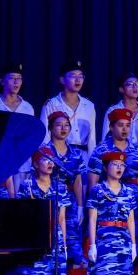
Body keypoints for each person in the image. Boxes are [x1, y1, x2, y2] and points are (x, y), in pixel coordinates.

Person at [16, 147, 70, 275]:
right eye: (45, 160)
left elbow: (62, 218)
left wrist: (64, 244)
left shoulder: (60, 187)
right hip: (34, 238)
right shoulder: (27, 186)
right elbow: (21, 214)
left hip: (53, 238)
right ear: (36, 164)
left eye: (51, 160)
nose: (49, 163)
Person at [85, 151, 138, 275]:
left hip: (123, 240)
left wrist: (134, 245)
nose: (119, 168)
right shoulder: (98, 190)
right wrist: (92, 244)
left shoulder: (129, 191)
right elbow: (92, 219)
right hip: (104, 240)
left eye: (122, 165)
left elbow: (131, 219)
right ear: (106, 167)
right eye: (115, 164)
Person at [43, 111, 87, 266]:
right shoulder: (44, 151)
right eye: (59, 125)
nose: (63, 128)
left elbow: (78, 181)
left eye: (67, 125)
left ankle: (74, 270)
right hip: (50, 199)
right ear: (50, 128)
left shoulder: (76, 153)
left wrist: (80, 206)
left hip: (70, 199)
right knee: (52, 236)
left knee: (72, 237)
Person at [0, 61, 35, 192]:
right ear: (2, 81)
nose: (16, 82)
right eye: (12, 78)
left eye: (19, 78)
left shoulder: (27, 107)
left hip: (23, 164)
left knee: (21, 199)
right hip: (0, 163)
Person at [39, 59, 97, 159]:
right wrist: (48, 158)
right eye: (73, 76)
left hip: (83, 157)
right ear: (62, 80)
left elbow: (92, 138)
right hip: (58, 155)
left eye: (81, 76)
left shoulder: (89, 105)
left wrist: (92, 162)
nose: (78, 80)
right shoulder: (51, 105)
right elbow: (45, 137)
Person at [89, 108, 138, 190]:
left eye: (128, 125)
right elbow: (93, 182)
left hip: (133, 196)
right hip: (108, 195)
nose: (124, 129)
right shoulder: (101, 150)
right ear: (111, 127)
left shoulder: (137, 151)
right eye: (120, 125)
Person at [100, 72, 138, 153]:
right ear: (121, 89)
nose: (135, 86)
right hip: (117, 154)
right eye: (130, 84)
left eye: (137, 84)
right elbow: (105, 138)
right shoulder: (112, 110)